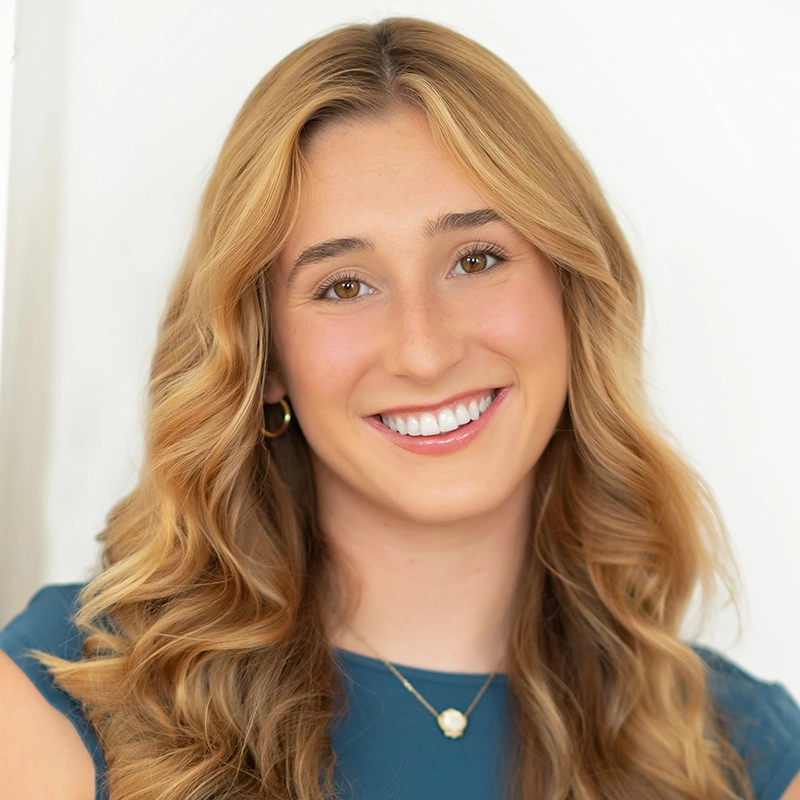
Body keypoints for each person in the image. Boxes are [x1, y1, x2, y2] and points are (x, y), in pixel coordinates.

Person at [1, 16, 798, 800]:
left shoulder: (745, 757)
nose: (424, 350)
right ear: (266, 358)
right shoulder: (67, 701)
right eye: (344, 285)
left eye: (476, 259)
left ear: (572, 298)